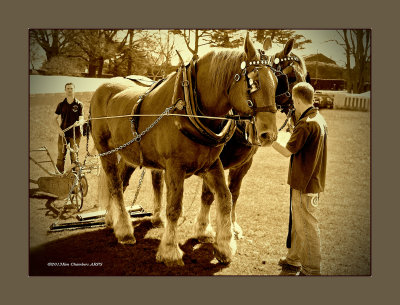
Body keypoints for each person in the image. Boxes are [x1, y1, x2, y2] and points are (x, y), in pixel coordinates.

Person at [271, 82, 328, 276]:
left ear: (296, 100)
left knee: (307, 226)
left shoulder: (306, 124)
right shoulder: (318, 118)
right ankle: (293, 259)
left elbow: (287, 152)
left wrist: (269, 139)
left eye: (293, 102)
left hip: (305, 184)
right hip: (310, 182)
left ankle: (312, 269)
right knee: (299, 223)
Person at [53, 82, 84, 174]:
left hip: (75, 135)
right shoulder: (61, 105)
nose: (69, 90)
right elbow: (54, 119)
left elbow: (82, 119)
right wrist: (59, 130)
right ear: (65, 90)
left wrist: (79, 123)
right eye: (68, 89)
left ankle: (74, 178)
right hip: (63, 134)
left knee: (74, 156)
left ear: (74, 90)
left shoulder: (79, 104)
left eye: (71, 88)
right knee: (60, 156)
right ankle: (59, 176)